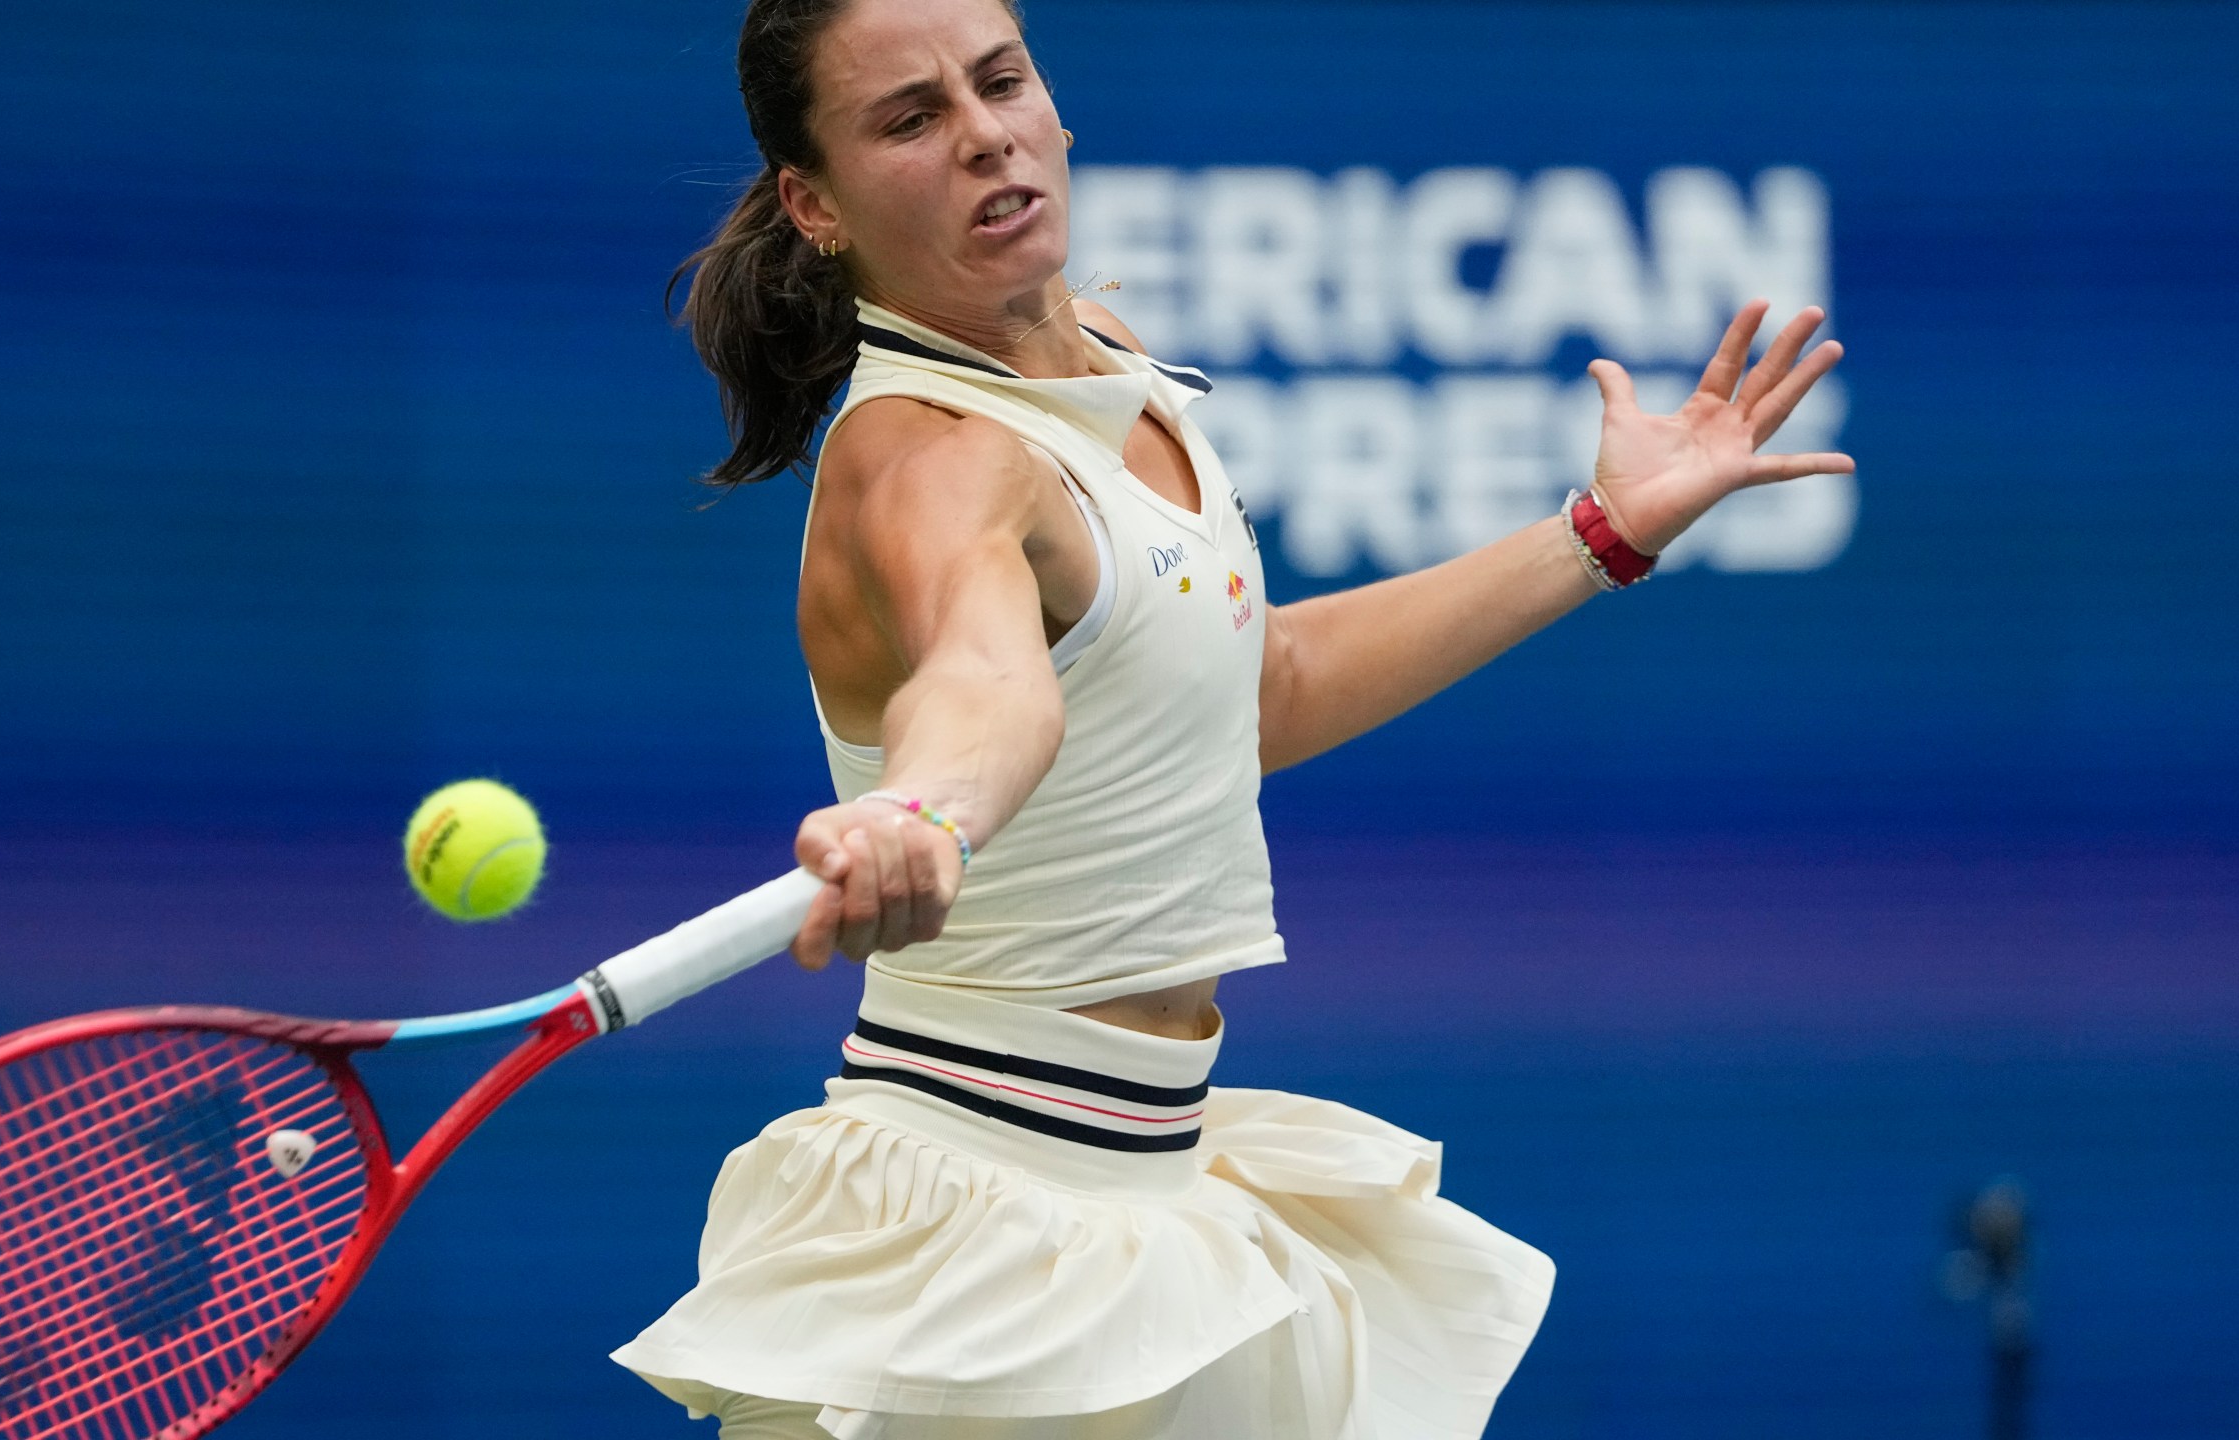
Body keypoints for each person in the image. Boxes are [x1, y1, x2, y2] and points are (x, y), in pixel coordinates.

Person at [612, 1, 1852, 1436]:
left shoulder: (1113, 361)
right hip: (980, 1240)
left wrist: (1599, 535)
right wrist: (926, 808)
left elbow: (1257, 692)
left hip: (1150, 1186)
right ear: (813, 205)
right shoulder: (928, 457)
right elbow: (984, 677)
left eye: (1001, 81)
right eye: (910, 118)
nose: (984, 134)